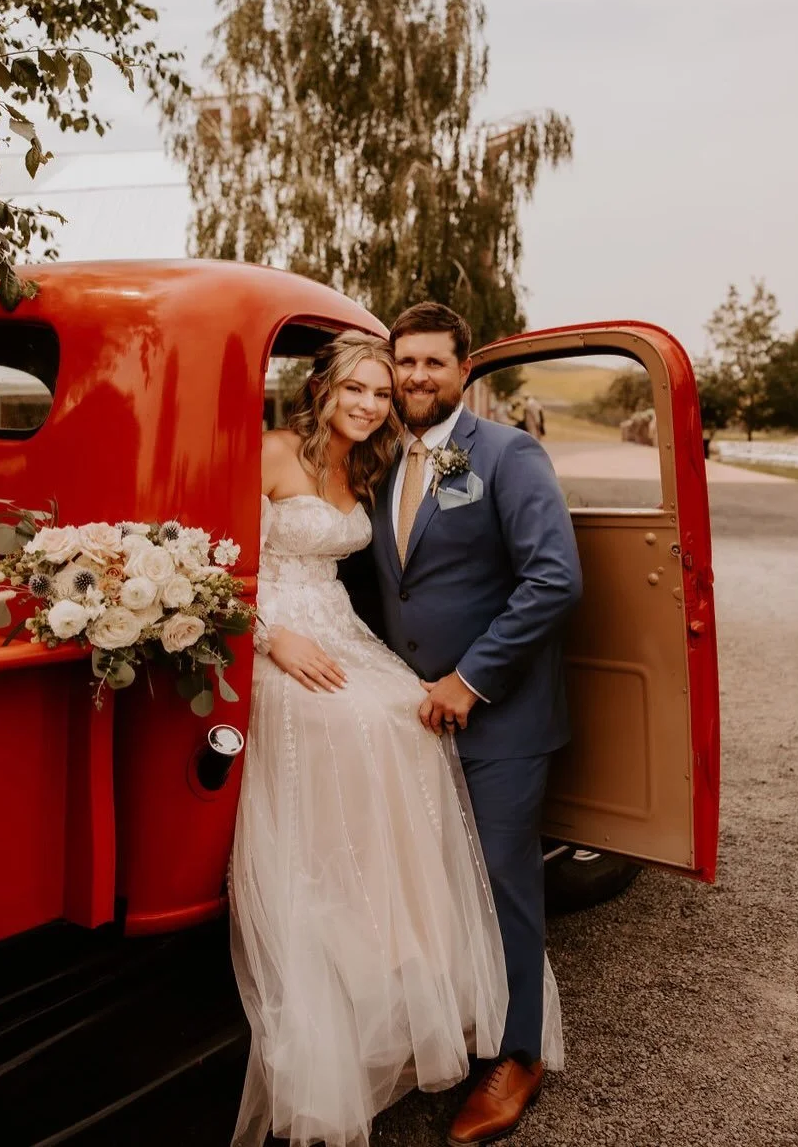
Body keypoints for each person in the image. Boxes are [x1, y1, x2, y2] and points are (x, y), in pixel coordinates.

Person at [230, 330, 515, 1147]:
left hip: (342, 631)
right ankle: (346, 942)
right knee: (352, 719)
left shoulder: (367, 464)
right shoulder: (274, 451)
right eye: (353, 388)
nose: (368, 404)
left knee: (411, 715)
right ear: (321, 387)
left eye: (382, 393)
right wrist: (270, 636)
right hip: (279, 639)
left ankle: (408, 952)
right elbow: (222, 560)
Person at [367, 302, 582, 1145]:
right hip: (407, 717)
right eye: (404, 362)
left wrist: (471, 678)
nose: (417, 377)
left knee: (503, 885)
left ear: (464, 369)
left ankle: (519, 1053)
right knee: (431, 880)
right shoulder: (381, 459)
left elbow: (552, 580)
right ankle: (454, 1020)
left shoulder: (505, 452)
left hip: (501, 718)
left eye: (433, 362)